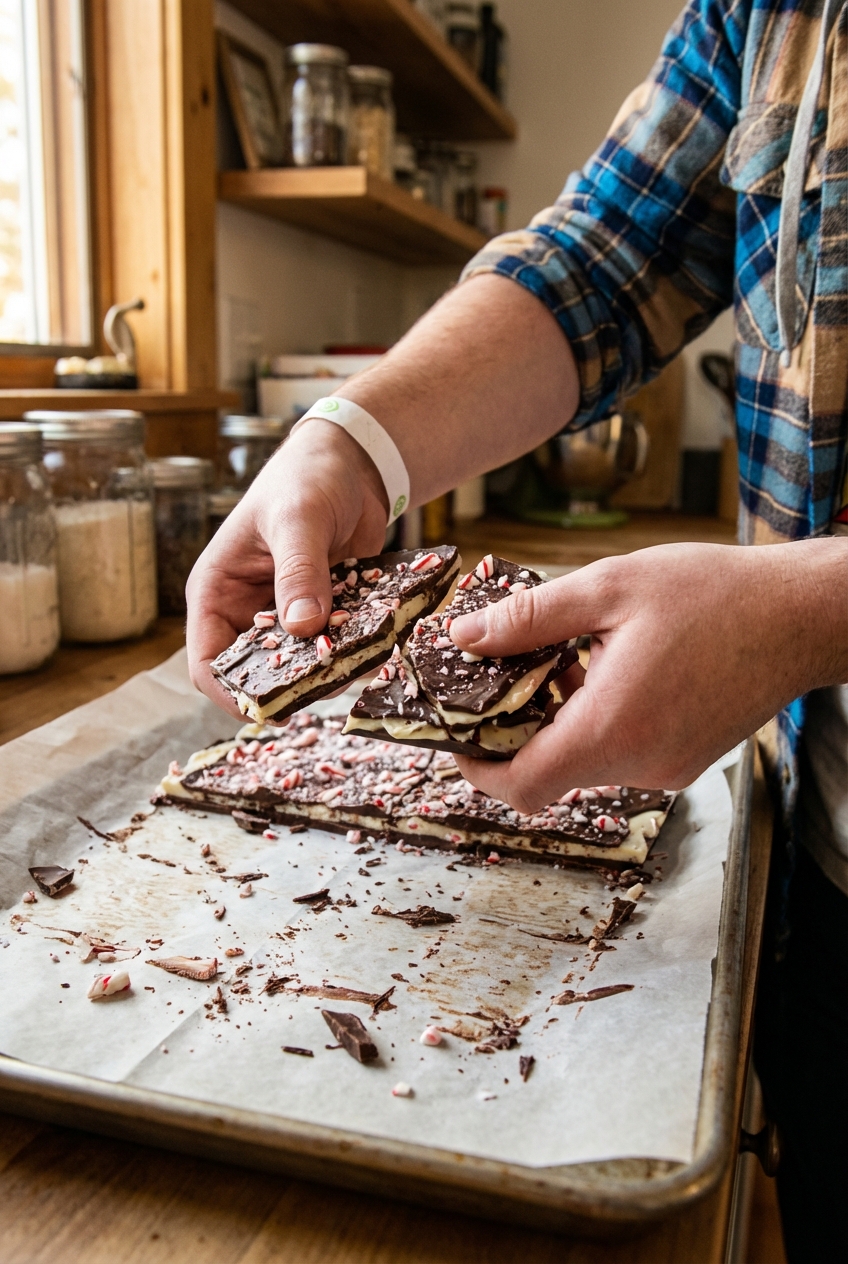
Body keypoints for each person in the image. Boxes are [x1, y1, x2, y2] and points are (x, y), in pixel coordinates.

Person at [188, 1, 847, 1256]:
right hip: (816, 856)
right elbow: (601, 255)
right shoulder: (766, 15)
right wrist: (350, 441)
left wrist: (815, 608)